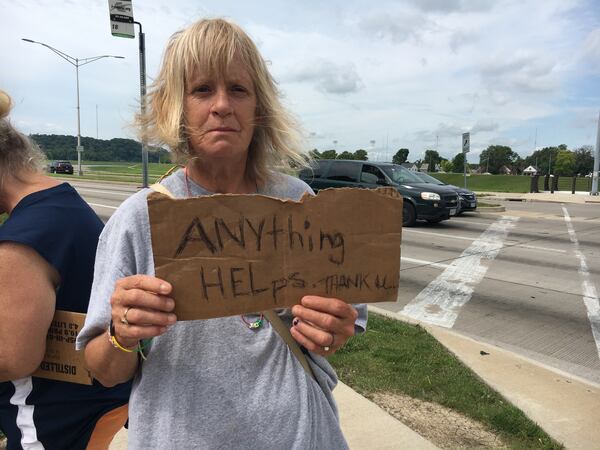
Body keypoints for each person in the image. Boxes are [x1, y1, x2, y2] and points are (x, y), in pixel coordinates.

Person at [76, 18, 367, 449]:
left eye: (238, 89)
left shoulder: (301, 203)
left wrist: (331, 330)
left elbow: (335, 332)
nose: (222, 105)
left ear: (259, 106)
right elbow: (102, 368)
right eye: (202, 90)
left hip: (302, 436)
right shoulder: (141, 217)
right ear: (176, 106)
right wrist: (123, 332)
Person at [0, 90, 131, 449]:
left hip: (48, 424)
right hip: (97, 405)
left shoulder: (20, 241)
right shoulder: (62, 202)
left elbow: (12, 358)